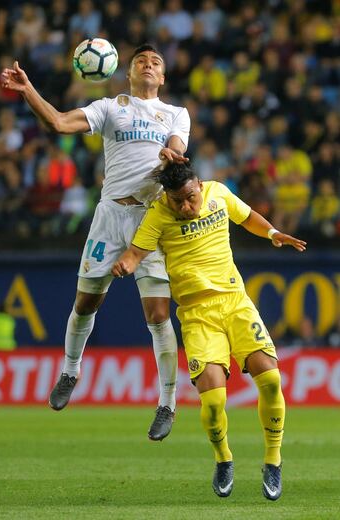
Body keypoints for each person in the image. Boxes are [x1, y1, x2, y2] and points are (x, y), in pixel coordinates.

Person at [1, 44, 190, 441]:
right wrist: (28, 89)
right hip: (109, 217)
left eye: (156, 62)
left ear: (163, 76)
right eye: (141, 61)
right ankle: (70, 370)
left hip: (149, 219)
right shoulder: (110, 108)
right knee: (85, 302)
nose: (149, 65)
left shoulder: (176, 114)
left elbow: (177, 147)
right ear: (129, 71)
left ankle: (167, 402)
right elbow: (56, 122)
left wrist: (171, 156)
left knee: (158, 314)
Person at [112, 162, 307, 500]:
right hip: (197, 314)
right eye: (178, 201)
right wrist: (124, 265)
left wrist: (273, 233)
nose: (185, 207)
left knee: (272, 380)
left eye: (190, 198)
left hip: (236, 303)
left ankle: (273, 461)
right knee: (215, 401)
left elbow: (246, 217)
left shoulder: (219, 193)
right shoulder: (159, 215)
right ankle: (223, 459)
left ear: (199, 186)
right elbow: (136, 253)